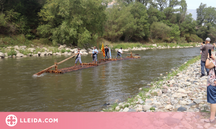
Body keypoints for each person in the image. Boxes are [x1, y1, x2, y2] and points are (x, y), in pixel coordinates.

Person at [204, 53, 216, 123]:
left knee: (213, 101)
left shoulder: (214, 62)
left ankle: (212, 118)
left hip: (212, 83)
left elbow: (207, 65)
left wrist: (208, 58)